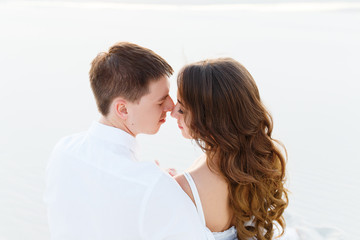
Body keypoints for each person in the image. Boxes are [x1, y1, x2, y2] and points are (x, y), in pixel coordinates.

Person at [44, 42, 207, 240]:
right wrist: (161, 187)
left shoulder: (63, 151)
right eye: (160, 100)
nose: (171, 106)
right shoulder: (153, 185)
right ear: (123, 109)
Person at [171, 58, 288, 240]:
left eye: (182, 108)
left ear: (209, 118)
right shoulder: (262, 160)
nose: (172, 113)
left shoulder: (184, 188)